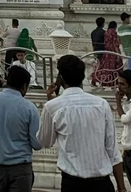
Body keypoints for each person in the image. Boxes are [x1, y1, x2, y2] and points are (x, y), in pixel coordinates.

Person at [40, 54, 125, 192]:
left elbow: (45, 142)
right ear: (82, 76)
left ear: (60, 79)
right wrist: (122, 188)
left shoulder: (53, 107)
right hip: (102, 183)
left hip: (72, 184)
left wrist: (51, 102)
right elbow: (112, 150)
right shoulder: (101, 104)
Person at [0, 64, 41, 192]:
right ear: (24, 86)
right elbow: (36, 144)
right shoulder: (30, 108)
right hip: (21, 169)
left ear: (7, 81)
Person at [91, 21, 122, 87]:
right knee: (114, 67)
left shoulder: (106, 32)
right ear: (115, 26)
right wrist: (118, 54)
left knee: (105, 67)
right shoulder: (114, 32)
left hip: (106, 52)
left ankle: (101, 81)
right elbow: (115, 44)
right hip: (113, 52)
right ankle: (113, 82)